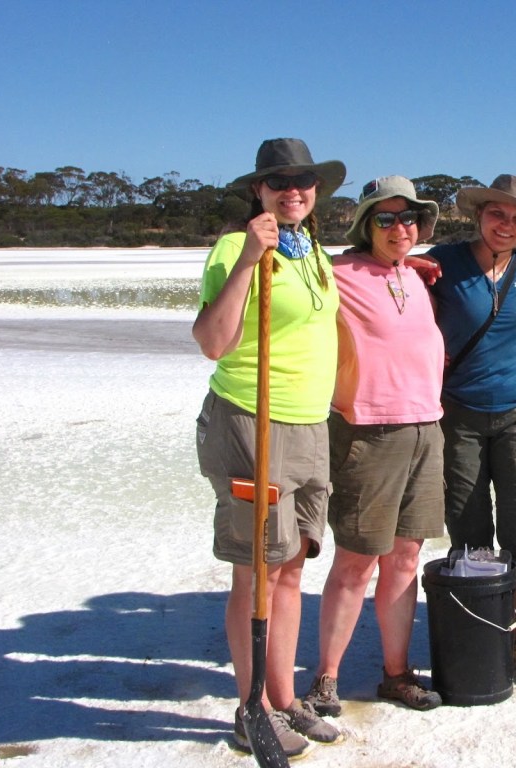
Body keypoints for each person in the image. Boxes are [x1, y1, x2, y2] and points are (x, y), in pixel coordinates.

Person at [193, 138, 344, 756]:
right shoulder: (236, 247)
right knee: (253, 572)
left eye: (303, 181)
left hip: (310, 426)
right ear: (258, 190)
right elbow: (212, 340)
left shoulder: (313, 252)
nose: (293, 191)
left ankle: (282, 699)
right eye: (278, 182)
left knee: (288, 569)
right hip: (252, 421)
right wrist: (250, 258)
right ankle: (249, 705)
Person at [303, 176, 445, 716]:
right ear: (367, 225)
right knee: (358, 561)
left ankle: (396, 672)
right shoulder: (337, 274)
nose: (399, 227)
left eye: (408, 218)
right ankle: (325, 679)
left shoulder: (416, 275)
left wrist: (422, 264)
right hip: (367, 431)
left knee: (406, 557)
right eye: (385, 219)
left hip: (427, 429)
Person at [424, 175, 516, 684]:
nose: (506, 224)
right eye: (497, 214)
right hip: (458, 413)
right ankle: (480, 632)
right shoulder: (443, 263)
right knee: (469, 530)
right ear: (479, 216)